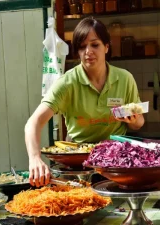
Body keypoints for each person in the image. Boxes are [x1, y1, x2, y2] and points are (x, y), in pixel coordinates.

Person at [24, 17, 145, 187]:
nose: (88, 51)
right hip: (78, 164)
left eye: (95, 45)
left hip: (117, 164)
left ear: (106, 47)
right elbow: (33, 123)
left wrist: (134, 120)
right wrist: (35, 158)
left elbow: (138, 124)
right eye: (82, 47)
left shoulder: (125, 79)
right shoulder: (67, 83)